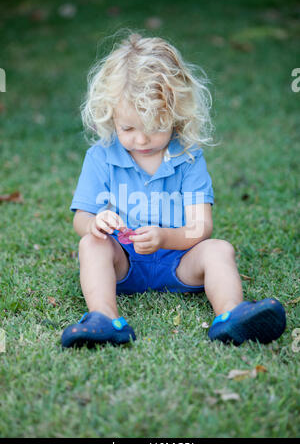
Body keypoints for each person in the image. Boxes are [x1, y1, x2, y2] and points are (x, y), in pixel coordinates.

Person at [61, 32, 286, 349]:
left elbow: (201, 226)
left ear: (177, 115)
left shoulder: (188, 157)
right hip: (122, 263)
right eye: (128, 128)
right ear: (110, 118)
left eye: (155, 128)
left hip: (180, 263)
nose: (141, 140)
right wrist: (95, 223)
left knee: (219, 249)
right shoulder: (101, 157)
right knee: (90, 245)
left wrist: (165, 238)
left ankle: (232, 316)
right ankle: (104, 319)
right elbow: (81, 218)